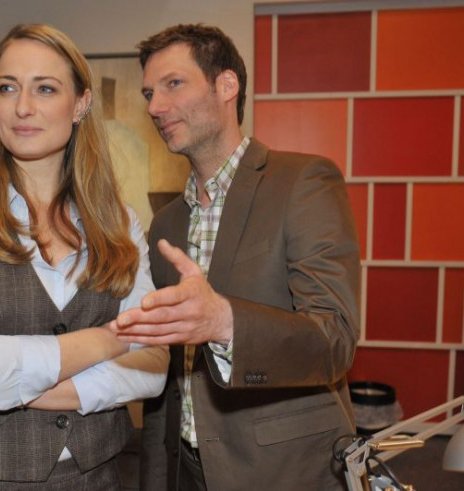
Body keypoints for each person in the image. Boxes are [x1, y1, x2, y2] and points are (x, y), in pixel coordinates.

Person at [0, 23, 168, 490]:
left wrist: (10, 377)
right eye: (7, 87)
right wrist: (109, 339)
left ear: (80, 104)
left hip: (97, 477)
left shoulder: (119, 221)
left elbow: (153, 366)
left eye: (45, 88)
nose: (22, 107)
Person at [110, 24, 361, 490]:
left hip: (281, 473)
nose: (154, 107)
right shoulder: (165, 224)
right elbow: (168, 379)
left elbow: (336, 339)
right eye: (148, 93)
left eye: (173, 84)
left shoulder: (303, 183)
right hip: (185, 469)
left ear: (227, 85)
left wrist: (225, 323)